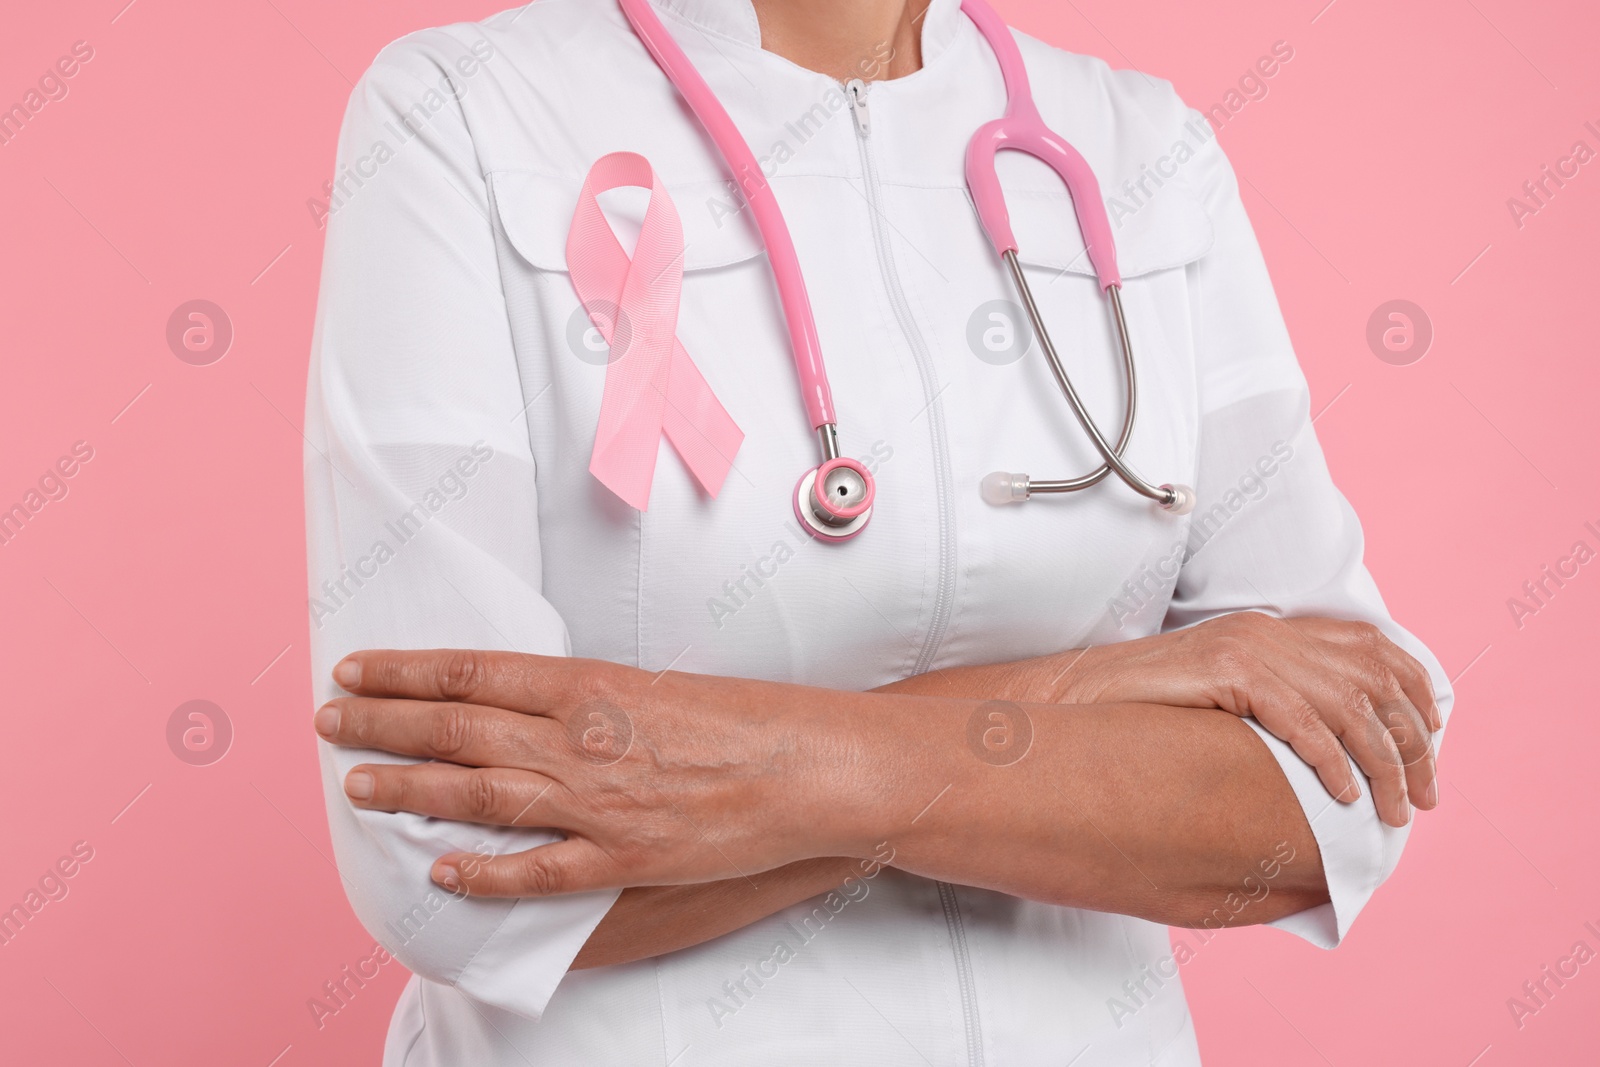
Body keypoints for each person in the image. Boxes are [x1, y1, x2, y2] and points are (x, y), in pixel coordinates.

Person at [302, 0, 1450, 1062]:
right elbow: (452, 863)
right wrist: (1119, 690)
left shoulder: (1146, 149)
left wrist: (749, 772)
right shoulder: (469, 112)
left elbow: (1327, 797)